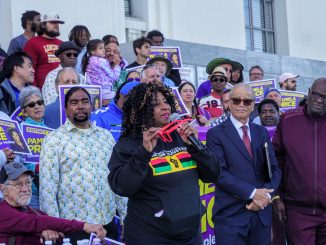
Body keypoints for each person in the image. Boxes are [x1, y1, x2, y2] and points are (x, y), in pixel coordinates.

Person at [108, 82, 219, 244]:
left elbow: (213, 174)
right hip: (150, 236)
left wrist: (196, 148)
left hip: (190, 235)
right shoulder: (128, 144)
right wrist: (143, 154)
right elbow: (122, 186)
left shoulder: (182, 136)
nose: (165, 107)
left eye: (165, 101)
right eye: (155, 104)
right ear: (140, 110)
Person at [40, 87, 126, 243]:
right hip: (74, 227)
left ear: (91, 106)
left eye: (85, 101)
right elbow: (48, 188)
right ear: (66, 109)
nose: (80, 106)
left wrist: (125, 217)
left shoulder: (105, 136)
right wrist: (54, 225)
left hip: (107, 223)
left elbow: (116, 179)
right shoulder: (54, 140)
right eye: (74, 102)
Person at [206, 83, 281, 244]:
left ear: (253, 105)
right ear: (228, 103)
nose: (241, 105)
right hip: (231, 217)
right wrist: (253, 194)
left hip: (261, 216)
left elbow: (274, 168)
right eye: (236, 100)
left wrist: (265, 197)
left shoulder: (261, 132)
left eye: (247, 101)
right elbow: (220, 173)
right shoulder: (216, 134)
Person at [272, 78, 326, 245]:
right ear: (309, 93)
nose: (319, 99)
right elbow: (276, 161)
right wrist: (276, 196)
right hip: (298, 212)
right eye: (316, 94)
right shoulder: (288, 120)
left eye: (325, 96)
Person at [0, 161, 106, 244]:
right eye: (18, 184)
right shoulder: (3, 212)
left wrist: (48, 233)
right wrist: (84, 226)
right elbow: (34, 222)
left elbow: (59, 237)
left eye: (28, 183)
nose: (25, 189)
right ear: (2, 189)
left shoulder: (37, 213)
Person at [19, 86, 47, 208]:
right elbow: (18, 161)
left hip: (49, 189)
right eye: (31, 105)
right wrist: (38, 167)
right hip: (30, 190)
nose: (37, 106)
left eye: (40, 103)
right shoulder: (19, 131)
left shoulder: (50, 130)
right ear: (24, 112)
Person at [23, 11, 64, 89]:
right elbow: (28, 69)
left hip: (61, 91)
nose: (56, 25)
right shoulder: (32, 43)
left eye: (58, 22)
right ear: (43, 25)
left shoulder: (62, 44)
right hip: (42, 93)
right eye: (52, 22)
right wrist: (35, 91)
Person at [42, 41, 82, 106]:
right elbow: (50, 101)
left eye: (75, 55)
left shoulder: (82, 77)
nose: (72, 57)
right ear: (60, 57)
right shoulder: (52, 76)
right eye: (68, 54)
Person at [82, 39, 120, 103]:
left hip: (93, 92)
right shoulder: (102, 61)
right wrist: (117, 66)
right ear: (92, 51)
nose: (103, 50)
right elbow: (114, 77)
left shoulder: (89, 61)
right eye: (100, 48)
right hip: (104, 91)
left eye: (103, 48)